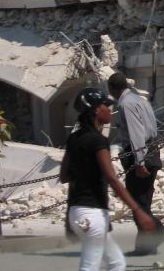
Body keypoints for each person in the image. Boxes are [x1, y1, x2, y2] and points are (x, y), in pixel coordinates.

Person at [61, 87, 155, 271]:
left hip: (77, 212)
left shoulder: (73, 138)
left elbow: (64, 176)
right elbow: (112, 178)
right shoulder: (98, 141)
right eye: (106, 105)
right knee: (90, 267)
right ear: (96, 109)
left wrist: (85, 171)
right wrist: (138, 211)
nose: (109, 109)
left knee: (116, 263)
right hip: (92, 214)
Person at [107, 71, 164, 255]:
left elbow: (136, 133)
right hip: (153, 151)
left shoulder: (126, 104)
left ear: (112, 89)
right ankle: (146, 245)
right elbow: (152, 127)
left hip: (139, 156)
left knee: (136, 203)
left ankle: (157, 232)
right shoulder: (141, 100)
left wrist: (139, 161)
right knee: (143, 201)